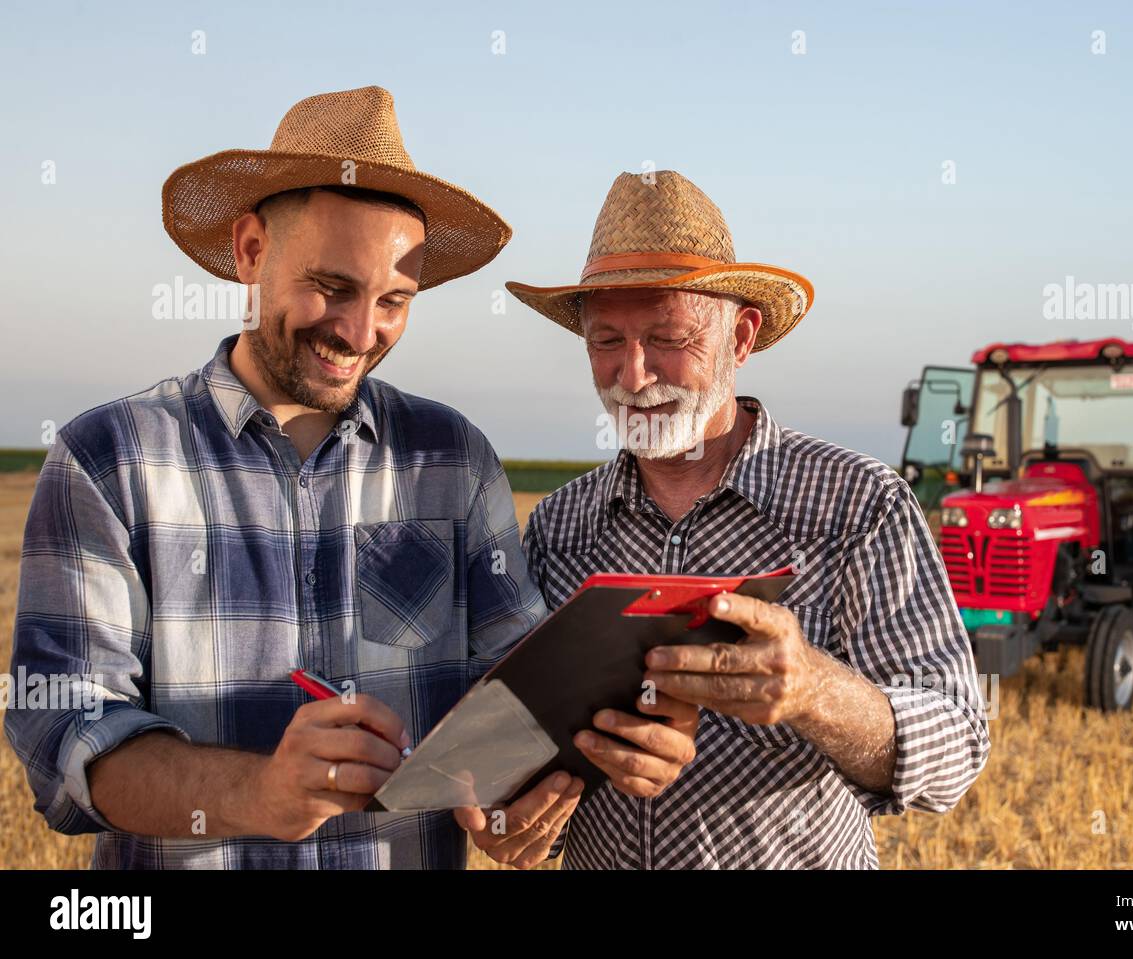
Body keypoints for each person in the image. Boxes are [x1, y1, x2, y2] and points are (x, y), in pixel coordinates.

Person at [6, 87, 690, 869]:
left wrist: (525, 803)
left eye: (395, 300)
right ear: (252, 250)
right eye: (333, 288)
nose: (362, 332)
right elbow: (66, 733)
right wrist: (260, 793)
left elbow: (517, 704)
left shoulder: (454, 460)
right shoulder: (110, 460)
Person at [506, 170, 991, 868]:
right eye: (606, 340)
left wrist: (813, 690)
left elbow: (958, 750)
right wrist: (514, 819)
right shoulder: (560, 527)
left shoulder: (858, 504)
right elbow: (531, 753)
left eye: (668, 337)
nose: (633, 375)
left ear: (741, 337)